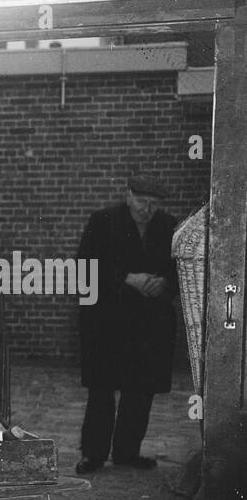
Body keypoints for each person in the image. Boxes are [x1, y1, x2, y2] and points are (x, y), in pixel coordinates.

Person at [76, 175, 179, 474]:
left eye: (154, 204)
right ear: (128, 195)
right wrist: (126, 278)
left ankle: (127, 452)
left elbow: (177, 270)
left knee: (140, 391)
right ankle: (93, 454)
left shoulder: (168, 226)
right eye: (142, 201)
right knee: (102, 390)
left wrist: (165, 283)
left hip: (149, 324)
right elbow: (85, 266)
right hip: (107, 322)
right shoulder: (102, 221)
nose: (148, 209)